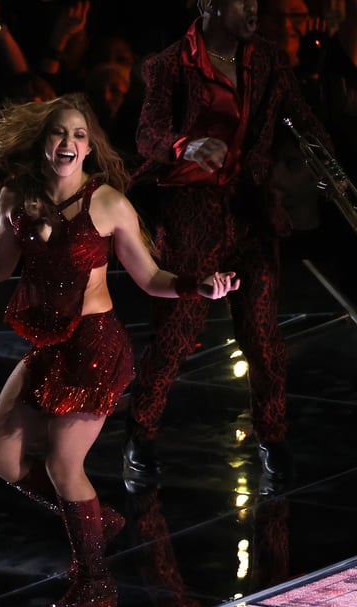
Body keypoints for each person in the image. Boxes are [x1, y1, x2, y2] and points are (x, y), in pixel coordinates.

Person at [0, 93, 238, 607]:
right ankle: (93, 521)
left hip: (95, 346)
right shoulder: (18, 197)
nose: (68, 143)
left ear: (89, 147)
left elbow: (151, 278)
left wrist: (197, 286)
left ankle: (96, 589)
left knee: (63, 464)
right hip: (49, 345)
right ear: (43, 142)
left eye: (79, 135)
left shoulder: (107, 204)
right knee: (2, 458)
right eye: (59, 133)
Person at [123, 0, 331, 488]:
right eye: (242, 2)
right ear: (209, 6)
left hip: (249, 210)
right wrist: (186, 145)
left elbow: (300, 116)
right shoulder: (170, 64)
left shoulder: (269, 60)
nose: (253, 10)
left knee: (262, 334)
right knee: (176, 335)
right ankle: (141, 437)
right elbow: (147, 133)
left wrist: (326, 161)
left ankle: (273, 439)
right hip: (191, 210)